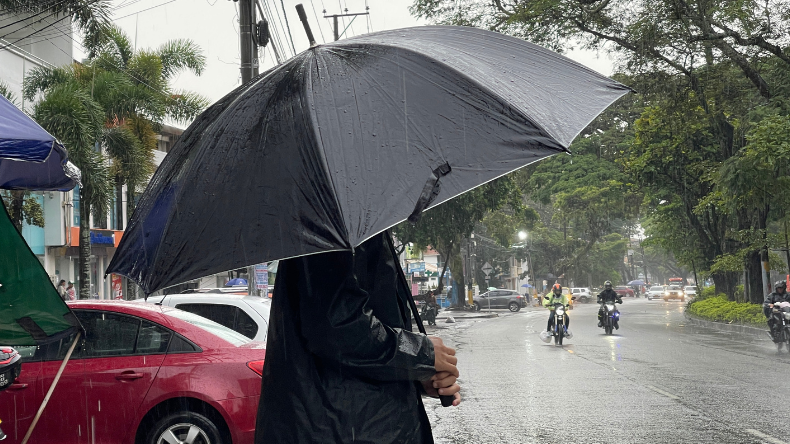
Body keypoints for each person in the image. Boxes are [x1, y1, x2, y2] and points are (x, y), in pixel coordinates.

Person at [255, 231, 461, 444]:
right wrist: (420, 354)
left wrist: (416, 374)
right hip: (345, 430)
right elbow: (337, 326)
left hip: (360, 425)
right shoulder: (334, 221)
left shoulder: (356, 221)